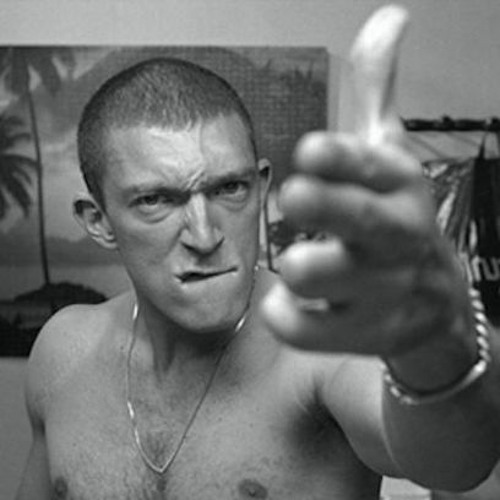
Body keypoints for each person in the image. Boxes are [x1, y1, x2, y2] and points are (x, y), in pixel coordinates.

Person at [15, 5, 500, 500]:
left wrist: (442, 348)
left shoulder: (319, 344)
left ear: (262, 186)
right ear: (98, 221)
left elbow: (454, 463)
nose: (205, 236)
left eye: (229, 188)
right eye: (156, 200)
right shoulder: (64, 350)